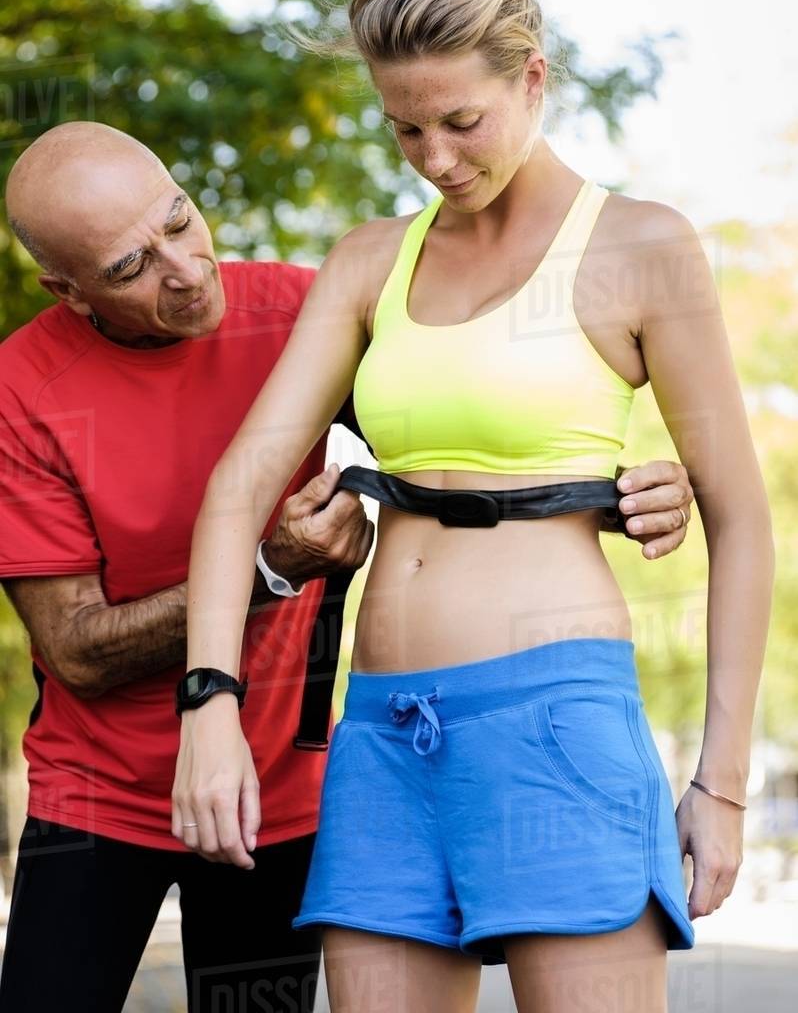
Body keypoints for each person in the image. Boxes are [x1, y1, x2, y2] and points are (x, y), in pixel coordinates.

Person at [173, 0, 774, 1013]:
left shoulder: (640, 247)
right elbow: (235, 494)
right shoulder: (366, 260)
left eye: (460, 122)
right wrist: (208, 707)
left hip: (555, 720)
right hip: (381, 735)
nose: (436, 159)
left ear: (533, 79)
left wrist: (721, 785)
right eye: (406, 132)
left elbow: (741, 520)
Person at [0, 121, 693, 1012]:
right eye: (131, 267)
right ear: (68, 291)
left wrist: (619, 496)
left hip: (284, 797)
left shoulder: (306, 308)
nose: (184, 267)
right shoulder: (21, 388)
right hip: (94, 800)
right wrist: (272, 568)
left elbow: (459, 461)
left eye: (179, 220)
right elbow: (77, 651)